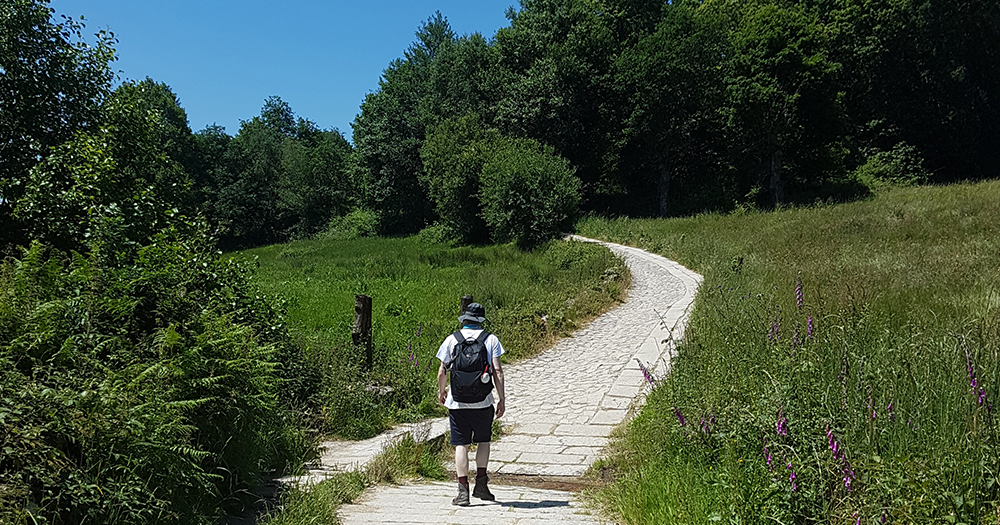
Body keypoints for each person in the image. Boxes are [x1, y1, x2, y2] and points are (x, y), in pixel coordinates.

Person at [437, 302, 506, 506]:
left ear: (464, 319)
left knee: (461, 444)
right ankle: (482, 485)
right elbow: (498, 371)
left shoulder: (452, 339)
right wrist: (501, 398)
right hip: (483, 402)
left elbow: (442, 371)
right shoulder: (490, 339)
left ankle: (462, 492)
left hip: (457, 402)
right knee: (483, 441)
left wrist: (442, 392)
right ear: (481, 320)